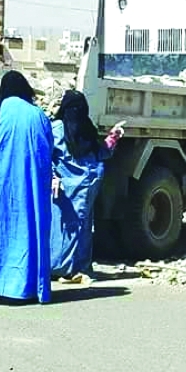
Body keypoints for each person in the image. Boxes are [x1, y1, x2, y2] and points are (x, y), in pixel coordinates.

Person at [0, 71, 53, 304]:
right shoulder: (37, 115)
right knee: (25, 232)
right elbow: (47, 152)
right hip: (26, 187)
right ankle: (21, 289)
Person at [49, 90, 123, 284]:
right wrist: (52, 176)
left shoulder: (75, 128)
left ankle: (73, 267)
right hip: (67, 189)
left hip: (80, 189)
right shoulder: (60, 129)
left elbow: (101, 153)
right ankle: (65, 267)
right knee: (72, 228)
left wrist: (113, 137)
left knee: (73, 228)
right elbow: (46, 157)